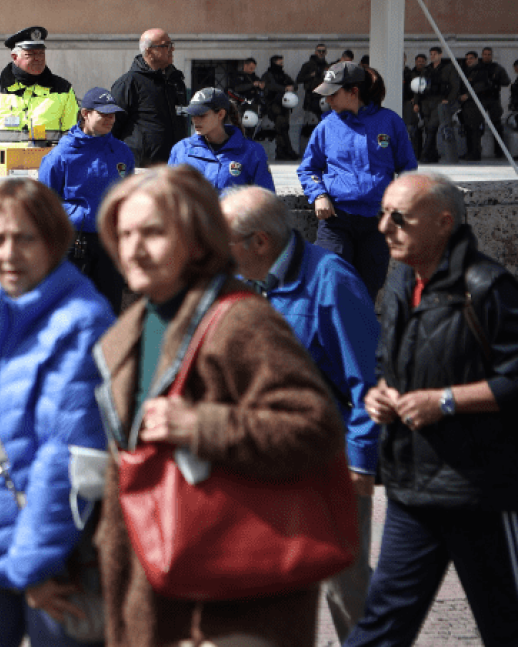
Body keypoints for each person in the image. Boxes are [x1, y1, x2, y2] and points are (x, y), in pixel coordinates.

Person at [94, 165, 345, 647]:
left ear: (197, 240)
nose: (134, 249)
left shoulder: (239, 322)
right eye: (124, 234)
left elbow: (314, 427)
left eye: (152, 233)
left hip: (231, 604)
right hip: (151, 586)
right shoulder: (131, 331)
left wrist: (201, 424)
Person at [0, 178, 114, 647]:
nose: (9, 253)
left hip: (55, 562)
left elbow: (73, 459)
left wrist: (33, 567)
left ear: (54, 241)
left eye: (25, 238)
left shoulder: (83, 323)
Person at [346, 173, 518, 646]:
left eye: (399, 218)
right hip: (412, 489)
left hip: (480, 491)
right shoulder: (402, 282)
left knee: (507, 625)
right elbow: (392, 365)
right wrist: (380, 394)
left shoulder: (487, 287)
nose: (384, 227)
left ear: (444, 223)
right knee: (380, 627)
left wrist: (445, 402)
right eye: (383, 214)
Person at [220, 186, 381, 642]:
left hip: (328, 464)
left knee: (344, 586)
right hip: (264, 457)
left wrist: (359, 465)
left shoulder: (331, 283)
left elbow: (367, 384)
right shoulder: (241, 281)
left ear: (259, 243)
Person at [299, 62, 418, 301]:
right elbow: (308, 168)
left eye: (333, 94)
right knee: (331, 287)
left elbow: (408, 169)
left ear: (353, 91)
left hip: (377, 223)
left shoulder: (390, 122)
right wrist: (319, 195)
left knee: (367, 292)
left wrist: (401, 209)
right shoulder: (325, 127)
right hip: (336, 222)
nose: (328, 100)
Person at [37, 86, 134, 312]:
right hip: (73, 242)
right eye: (104, 114)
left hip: (110, 241)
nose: (110, 120)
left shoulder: (122, 152)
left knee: (109, 309)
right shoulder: (60, 155)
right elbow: (45, 205)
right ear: (85, 114)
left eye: (113, 115)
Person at [0, 27, 77, 175]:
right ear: (15, 57)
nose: (38, 59)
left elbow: (72, 138)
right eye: (30, 55)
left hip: (45, 176)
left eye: (41, 53)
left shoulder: (63, 89)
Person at [167, 87, 274, 193]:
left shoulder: (252, 152)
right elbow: (168, 198)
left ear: (220, 114)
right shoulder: (181, 150)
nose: (195, 120)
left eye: (201, 115)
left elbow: (266, 202)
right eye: (193, 115)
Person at [110, 28, 189, 166]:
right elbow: (112, 125)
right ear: (149, 51)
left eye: (172, 44)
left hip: (175, 164)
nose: (172, 49)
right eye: (166, 45)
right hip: (142, 166)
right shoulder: (129, 83)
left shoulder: (176, 81)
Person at [417, 46, 461, 163]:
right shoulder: (426, 70)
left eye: (435, 54)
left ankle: (425, 154)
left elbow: (455, 85)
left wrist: (449, 99)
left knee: (432, 127)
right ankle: (433, 155)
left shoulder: (448, 68)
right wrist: (417, 102)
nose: (432, 56)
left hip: (439, 101)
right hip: (426, 102)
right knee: (428, 129)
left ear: (440, 55)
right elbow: (419, 87)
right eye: (431, 54)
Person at [261, 54, 299, 160]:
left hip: (284, 105)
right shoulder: (268, 75)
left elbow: (294, 84)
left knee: (284, 128)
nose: (282, 65)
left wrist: (291, 87)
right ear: (274, 63)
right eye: (280, 63)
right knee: (281, 128)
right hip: (274, 105)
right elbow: (271, 86)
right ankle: (286, 151)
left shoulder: (283, 75)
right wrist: (285, 88)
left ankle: (283, 152)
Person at [295, 43, 331, 146]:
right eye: (319, 51)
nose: (321, 53)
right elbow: (299, 79)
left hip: (323, 98)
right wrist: (310, 76)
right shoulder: (308, 65)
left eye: (323, 51)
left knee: (323, 123)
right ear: (315, 52)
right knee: (310, 124)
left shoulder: (326, 66)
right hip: (311, 98)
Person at [403, 53, 427, 158]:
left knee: (412, 130)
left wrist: (415, 101)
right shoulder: (392, 71)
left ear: (405, 58)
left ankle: (415, 154)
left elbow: (416, 88)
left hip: (409, 105)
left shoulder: (410, 73)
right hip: (396, 103)